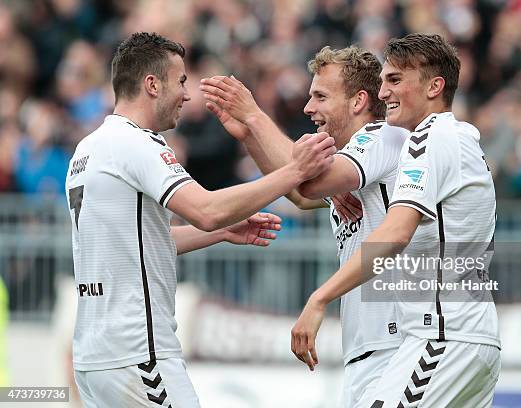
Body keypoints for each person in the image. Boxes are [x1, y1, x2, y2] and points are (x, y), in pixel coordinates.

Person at [65, 32, 335, 408]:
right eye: (180, 82)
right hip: (138, 352)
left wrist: (224, 231)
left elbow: (145, 242)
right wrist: (294, 171)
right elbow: (206, 210)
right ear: (152, 84)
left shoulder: (88, 149)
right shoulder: (137, 144)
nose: (186, 94)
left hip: (96, 358)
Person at [290, 34, 501, 408]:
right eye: (384, 79)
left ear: (435, 86)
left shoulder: (428, 138)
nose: (383, 92)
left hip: (442, 337)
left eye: (395, 80)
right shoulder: (459, 137)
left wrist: (320, 298)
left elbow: (396, 231)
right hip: (470, 337)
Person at [200, 45, 409, 407]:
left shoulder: (381, 138)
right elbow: (299, 193)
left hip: (396, 343)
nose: (308, 108)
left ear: (359, 101)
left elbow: (307, 181)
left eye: (321, 96)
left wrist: (255, 117)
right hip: (368, 347)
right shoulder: (354, 166)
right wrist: (250, 134)